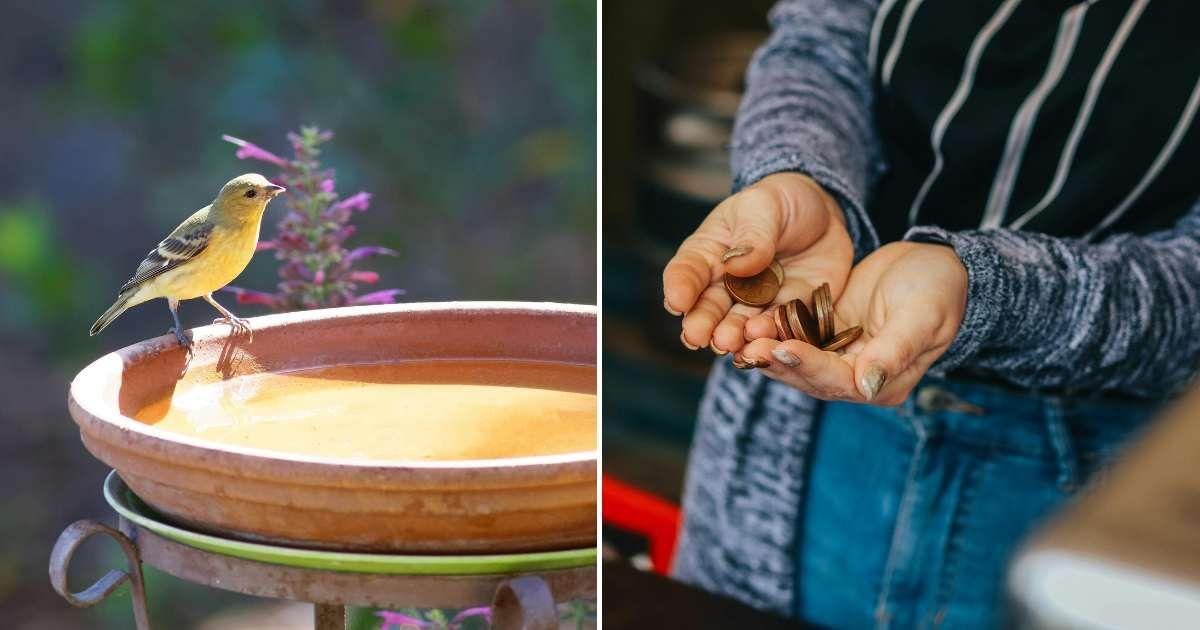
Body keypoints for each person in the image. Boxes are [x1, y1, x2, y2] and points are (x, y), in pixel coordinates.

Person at [661, 0, 1200, 627]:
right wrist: (798, 174)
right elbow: (821, 43)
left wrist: (983, 292)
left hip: (1092, 489)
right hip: (802, 415)